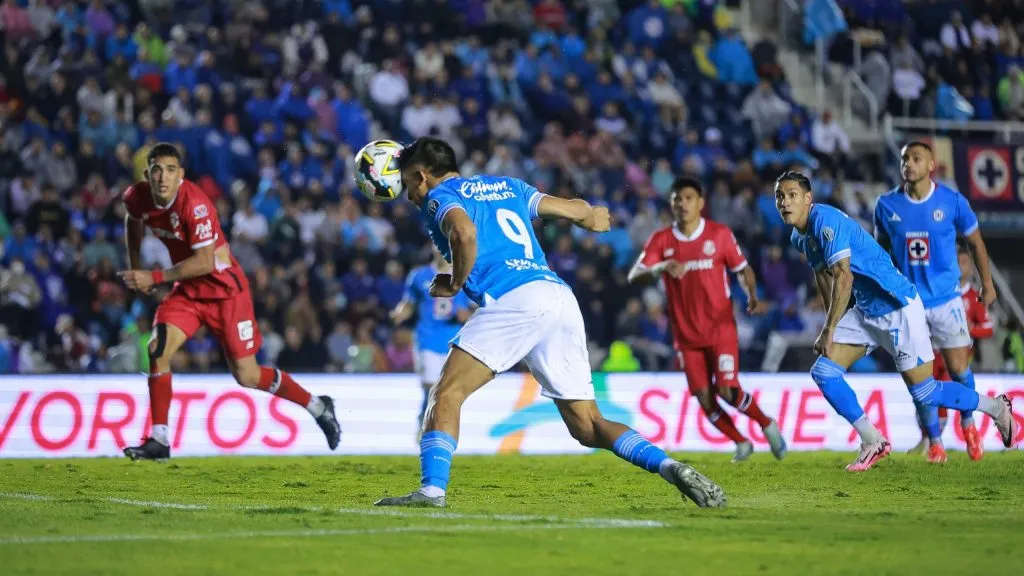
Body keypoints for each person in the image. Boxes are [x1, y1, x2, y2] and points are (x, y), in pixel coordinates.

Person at [374, 137, 725, 508]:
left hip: (514, 300)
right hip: (557, 296)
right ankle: (671, 467)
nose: (410, 196)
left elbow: (464, 233)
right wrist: (590, 215)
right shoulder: (507, 185)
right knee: (588, 426)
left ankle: (431, 492)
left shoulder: (440, 196)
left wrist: (456, 283)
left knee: (445, 394)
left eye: (409, 185)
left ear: (421, 174)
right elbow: (574, 210)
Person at [774, 170, 1015, 472]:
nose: (785, 202)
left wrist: (830, 328)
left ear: (808, 199)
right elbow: (824, 276)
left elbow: (843, 275)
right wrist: (830, 322)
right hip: (866, 311)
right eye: (780, 196)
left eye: (792, 195)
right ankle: (872, 440)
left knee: (924, 391)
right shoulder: (800, 236)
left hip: (897, 305)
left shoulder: (826, 221)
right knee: (824, 372)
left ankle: (996, 408)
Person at [118, 143, 341, 460]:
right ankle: (160, 440)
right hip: (189, 291)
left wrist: (152, 278)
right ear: (147, 174)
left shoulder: (194, 204)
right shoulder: (136, 197)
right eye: (156, 169)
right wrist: (136, 262)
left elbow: (206, 262)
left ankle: (318, 406)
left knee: (247, 376)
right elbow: (133, 219)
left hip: (225, 291)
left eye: (170, 170)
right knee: (157, 349)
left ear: (180, 175)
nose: (163, 176)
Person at [627, 175, 787, 462]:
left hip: (720, 330)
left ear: (701, 203)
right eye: (677, 199)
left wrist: (751, 295)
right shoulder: (661, 241)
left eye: (689, 198)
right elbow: (633, 275)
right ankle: (741, 442)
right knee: (703, 397)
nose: (683, 204)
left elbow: (743, 268)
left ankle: (766, 423)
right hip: (686, 337)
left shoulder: (719, 235)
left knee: (727, 390)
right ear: (671, 204)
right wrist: (660, 267)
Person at [874, 142, 997, 462]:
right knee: (921, 380)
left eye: (916, 159)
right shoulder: (886, 205)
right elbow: (879, 254)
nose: (908, 164)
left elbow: (975, 243)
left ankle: (968, 422)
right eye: (904, 159)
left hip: (946, 301)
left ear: (931, 165)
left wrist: (987, 284)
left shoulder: (952, 202)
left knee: (958, 369)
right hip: (908, 305)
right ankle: (935, 442)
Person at [906, 240, 994, 455]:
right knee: (921, 396)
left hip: (957, 355)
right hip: (930, 352)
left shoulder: (973, 296)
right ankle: (929, 440)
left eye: (965, 261)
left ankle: (964, 429)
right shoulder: (936, 292)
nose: (960, 265)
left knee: (947, 394)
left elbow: (988, 328)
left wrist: (968, 330)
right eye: (957, 261)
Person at [390, 250, 473, 437]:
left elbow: (473, 309)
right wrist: (399, 313)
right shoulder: (420, 276)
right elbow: (408, 303)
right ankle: (426, 422)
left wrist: (465, 316)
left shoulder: (464, 276)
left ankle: (437, 428)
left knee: (446, 390)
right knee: (430, 385)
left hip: (455, 341)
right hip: (427, 339)